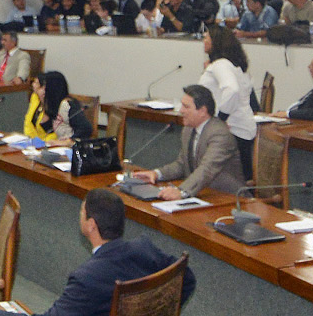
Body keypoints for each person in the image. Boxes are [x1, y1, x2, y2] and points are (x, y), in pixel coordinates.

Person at [40, 188, 193, 316]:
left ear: (91, 225)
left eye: (81, 211)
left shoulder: (86, 278)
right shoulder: (145, 248)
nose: (79, 215)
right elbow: (187, 278)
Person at [129, 85, 244, 199]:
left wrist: (182, 191)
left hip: (229, 198)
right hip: (202, 193)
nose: (181, 111)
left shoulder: (220, 134)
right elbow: (182, 164)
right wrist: (156, 174)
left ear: (202, 111)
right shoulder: (188, 129)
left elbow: (207, 169)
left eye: (186, 107)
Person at [200, 27, 257, 176]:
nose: (203, 41)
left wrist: (220, 119)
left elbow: (232, 90)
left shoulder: (221, 65)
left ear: (216, 42)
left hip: (232, 130)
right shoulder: (231, 65)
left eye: (206, 37)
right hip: (241, 128)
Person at [28, 71, 93, 141]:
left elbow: (86, 128)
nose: (42, 91)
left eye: (44, 87)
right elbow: (48, 131)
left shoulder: (67, 105)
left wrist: (68, 141)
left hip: (70, 145)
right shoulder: (51, 105)